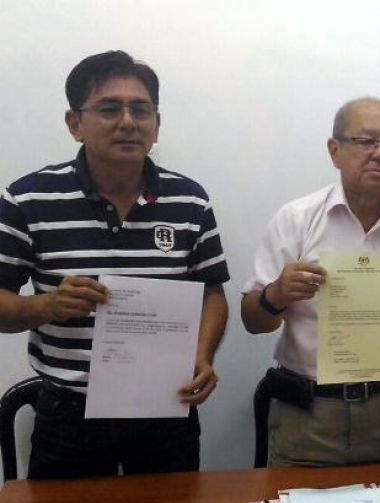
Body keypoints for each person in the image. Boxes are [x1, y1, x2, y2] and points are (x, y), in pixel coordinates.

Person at [0, 51, 230, 479]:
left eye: (141, 110)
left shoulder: (190, 201)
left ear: (156, 123)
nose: (127, 122)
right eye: (109, 109)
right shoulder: (28, 199)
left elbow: (212, 294)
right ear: (74, 123)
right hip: (70, 417)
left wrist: (202, 356)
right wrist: (46, 306)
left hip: (167, 409)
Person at [241, 97, 380, 467]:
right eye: (366, 141)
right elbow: (253, 321)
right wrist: (276, 294)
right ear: (334, 150)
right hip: (309, 410)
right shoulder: (296, 220)